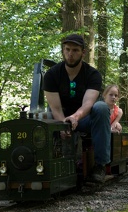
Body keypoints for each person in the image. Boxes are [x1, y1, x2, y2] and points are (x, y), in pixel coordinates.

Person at [43, 34, 111, 183]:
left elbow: (88, 103)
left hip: (83, 119)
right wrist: (63, 125)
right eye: (67, 49)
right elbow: (55, 107)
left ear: (83, 52)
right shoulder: (52, 75)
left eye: (75, 50)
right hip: (59, 118)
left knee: (101, 107)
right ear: (63, 50)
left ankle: (100, 165)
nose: (70, 54)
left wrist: (75, 118)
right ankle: (45, 165)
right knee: (40, 117)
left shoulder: (93, 74)